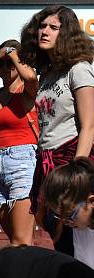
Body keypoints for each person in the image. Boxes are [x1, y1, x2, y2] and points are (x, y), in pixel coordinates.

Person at [22, 5, 94, 256]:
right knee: (53, 229)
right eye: (42, 26)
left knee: (79, 239)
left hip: (71, 159)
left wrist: (78, 172)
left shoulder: (79, 68)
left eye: (53, 27)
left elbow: (89, 125)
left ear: (67, 34)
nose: (45, 31)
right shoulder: (47, 74)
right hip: (46, 159)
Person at [0, 39, 39, 245]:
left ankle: (26, 277)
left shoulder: (28, 89)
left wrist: (13, 54)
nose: (5, 67)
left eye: (9, 62)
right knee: (14, 240)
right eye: (0, 63)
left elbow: (30, 76)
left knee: (21, 241)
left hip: (22, 161)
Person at [42, 158, 94, 269]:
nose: (66, 222)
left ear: (91, 202)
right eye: (59, 216)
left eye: (70, 215)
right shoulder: (70, 231)